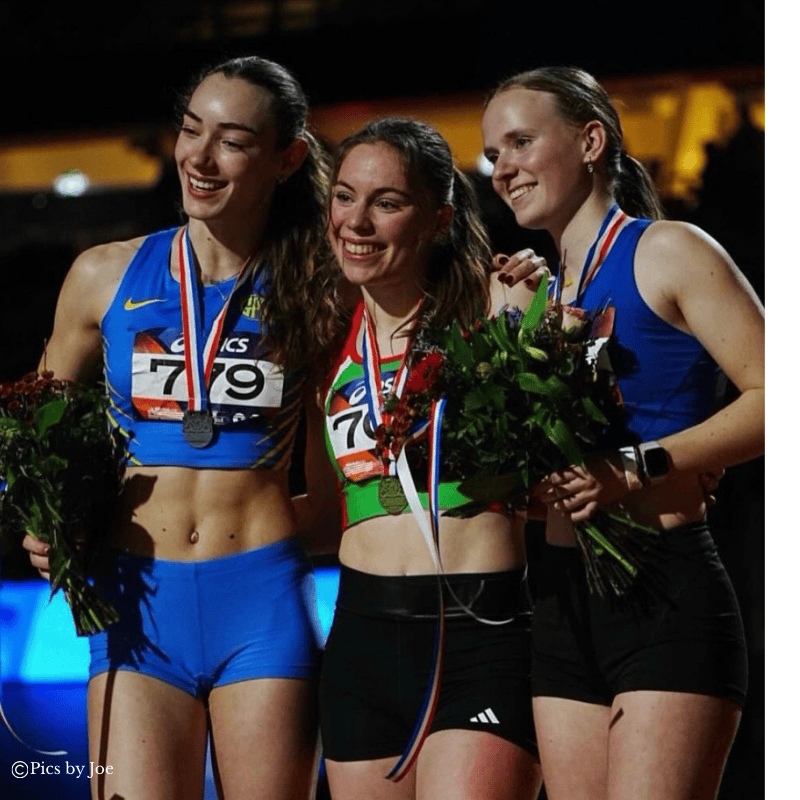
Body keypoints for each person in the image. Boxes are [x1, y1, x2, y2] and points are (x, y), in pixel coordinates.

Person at [23, 56, 329, 800]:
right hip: (136, 605)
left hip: (262, 603)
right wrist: (46, 519)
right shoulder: (103, 275)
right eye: (191, 130)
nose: (200, 156)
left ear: (287, 158)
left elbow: (337, 490)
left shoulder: (320, 285)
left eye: (233, 140)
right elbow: (33, 428)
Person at [481, 66, 764, 800]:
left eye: (520, 142)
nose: (502, 168)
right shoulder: (537, 295)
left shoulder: (668, 249)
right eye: (493, 153)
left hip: (662, 589)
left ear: (591, 141)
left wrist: (640, 465)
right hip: (560, 599)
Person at [299, 117, 543, 800]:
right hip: (360, 639)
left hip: (479, 632)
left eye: (387, 202)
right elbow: (324, 512)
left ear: (439, 220)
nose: (357, 222)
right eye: (345, 197)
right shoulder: (326, 343)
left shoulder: (503, 306)